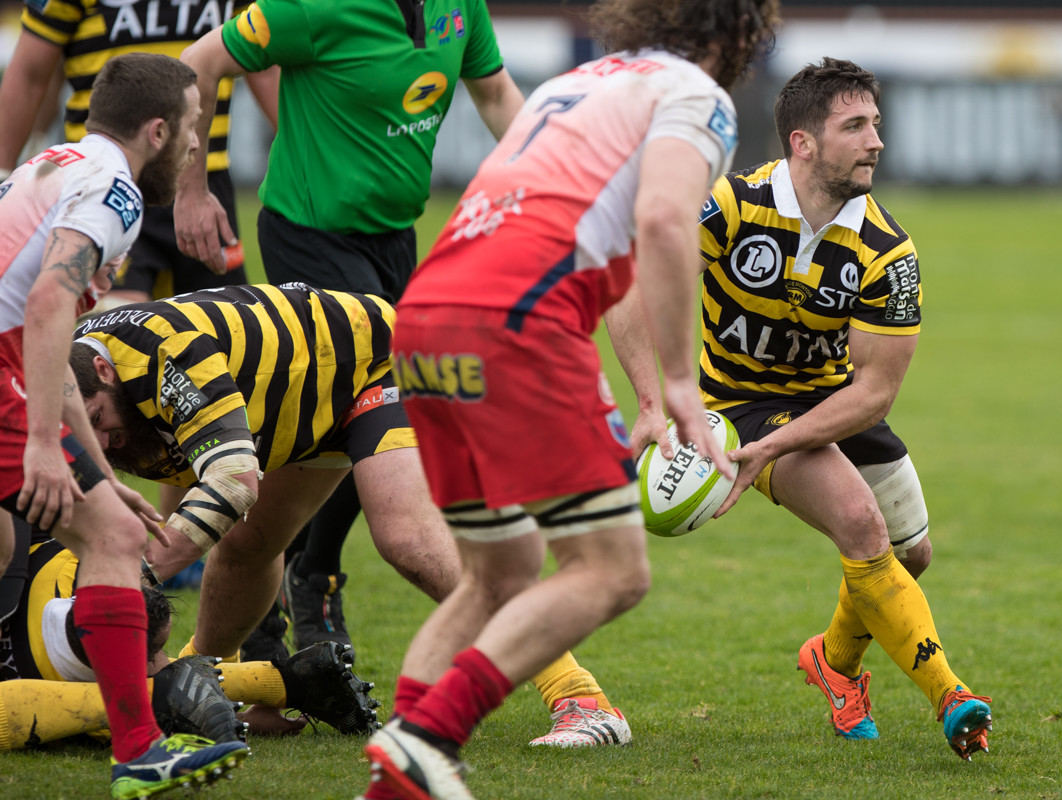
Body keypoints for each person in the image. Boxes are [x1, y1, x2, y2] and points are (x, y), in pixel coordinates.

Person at [364, 1, 780, 798]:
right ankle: (427, 734)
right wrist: (685, 385)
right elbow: (662, 221)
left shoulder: (577, 83)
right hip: (514, 324)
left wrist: (649, 403)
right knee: (613, 569)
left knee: (501, 572)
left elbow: (610, 252)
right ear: (734, 35)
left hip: (424, 318)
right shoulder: (695, 94)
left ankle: (395, 780)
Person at [70, 283, 636, 748]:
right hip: (289, 408)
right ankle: (216, 689)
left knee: (409, 540)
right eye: (80, 428)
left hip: (372, 362)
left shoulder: (168, 358)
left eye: (97, 417)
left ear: (106, 369)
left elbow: (231, 481)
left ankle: (582, 699)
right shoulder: (57, 389)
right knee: (247, 547)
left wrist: (125, 580)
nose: (97, 438)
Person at [174, 0, 526, 658]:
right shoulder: (314, 5)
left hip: (394, 241)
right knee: (368, 412)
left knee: (361, 417)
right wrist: (192, 189)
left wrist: (560, 180)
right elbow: (200, 61)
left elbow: (499, 94)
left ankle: (294, 585)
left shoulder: (461, 7)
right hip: (309, 235)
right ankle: (305, 585)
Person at [689, 57, 992, 759]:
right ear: (802, 142)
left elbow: (876, 391)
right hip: (742, 402)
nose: (876, 141)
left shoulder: (888, 250)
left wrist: (794, 436)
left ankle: (833, 662)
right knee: (861, 526)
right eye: (854, 126)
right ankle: (952, 696)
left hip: (836, 400)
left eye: (876, 124)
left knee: (911, 554)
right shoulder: (730, 206)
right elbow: (649, 277)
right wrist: (665, 395)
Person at [0, 51, 248, 798]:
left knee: (35, 537)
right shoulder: (115, 191)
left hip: (13, 362)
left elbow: (55, 341)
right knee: (112, 540)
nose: (198, 144)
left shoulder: (54, 164)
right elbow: (47, 307)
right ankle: (139, 750)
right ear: (159, 129)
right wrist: (45, 443)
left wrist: (103, 476)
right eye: (195, 126)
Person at [0, 0, 277, 306]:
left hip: (205, 179)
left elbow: (261, 65)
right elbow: (29, 74)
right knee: (113, 328)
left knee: (221, 325)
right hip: (105, 178)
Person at [0, 530, 382, 749]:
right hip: (61, 571)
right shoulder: (78, 553)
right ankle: (287, 679)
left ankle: (169, 694)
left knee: (150, 690)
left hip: (42, 654)